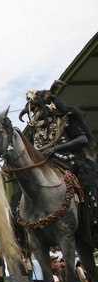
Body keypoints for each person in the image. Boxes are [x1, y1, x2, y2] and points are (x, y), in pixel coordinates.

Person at [20, 88, 98, 231]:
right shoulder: (36, 128)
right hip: (45, 164)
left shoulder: (67, 116)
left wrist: (55, 149)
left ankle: (93, 217)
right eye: (34, 109)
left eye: (37, 107)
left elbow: (82, 138)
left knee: (89, 184)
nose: (36, 111)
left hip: (69, 161)